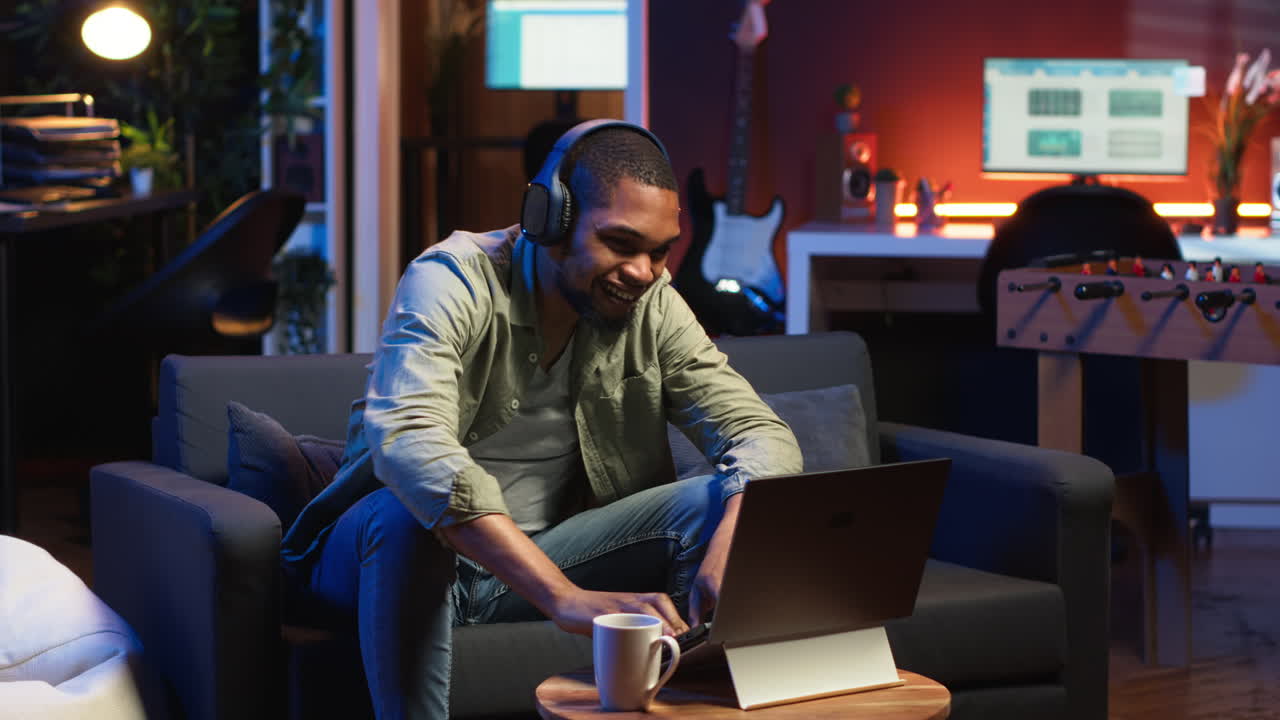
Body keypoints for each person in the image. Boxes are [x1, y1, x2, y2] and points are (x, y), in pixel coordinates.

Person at [278, 120, 801, 719]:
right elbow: (410, 442)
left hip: (542, 555)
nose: (643, 271)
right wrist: (562, 597)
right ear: (548, 218)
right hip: (385, 557)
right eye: (620, 243)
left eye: (659, 251)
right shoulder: (451, 278)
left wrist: (735, 534)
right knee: (405, 517)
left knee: (717, 501)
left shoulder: (652, 303)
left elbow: (760, 432)